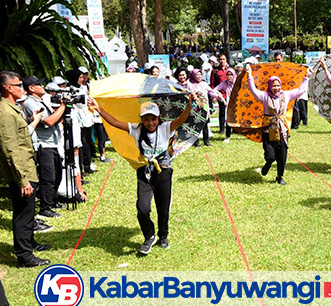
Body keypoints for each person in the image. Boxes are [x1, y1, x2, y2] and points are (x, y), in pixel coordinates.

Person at [88, 94, 196, 253]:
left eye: (153, 119)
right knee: (143, 207)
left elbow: (181, 119)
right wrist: (99, 109)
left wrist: (190, 104)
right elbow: (115, 122)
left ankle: (163, 236)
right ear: (142, 119)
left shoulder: (166, 129)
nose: (150, 123)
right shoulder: (136, 129)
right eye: (146, 119)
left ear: (159, 118)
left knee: (163, 207)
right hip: (144, 173)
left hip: (163, 171)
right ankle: (149, 236)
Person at [0, 71, 51, 267]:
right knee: (23, 213)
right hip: (22, 173)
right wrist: (22, 180)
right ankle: (24, 256)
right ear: (7, 88)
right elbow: (10, 150)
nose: (23, 88)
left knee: (29, 211)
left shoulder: (13, 108)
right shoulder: (3, 112)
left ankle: (29, 243)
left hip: (28, 169)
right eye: (19, 85)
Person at [245, 64, 311, 185]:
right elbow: (253, 90)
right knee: (270, 156)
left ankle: (280, 177)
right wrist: (249, 75)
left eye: (278, 85)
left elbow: (300, 90)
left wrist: (306, 77)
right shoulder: (264, 96)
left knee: (282, 156)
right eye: (274, 85)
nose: (276, 88)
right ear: (270, 86)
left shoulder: (286, 95)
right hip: (268, 130)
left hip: (282, 130)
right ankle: (268, 163)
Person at [22, 76, 66, 218]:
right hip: (43, 145)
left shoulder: (41, 101)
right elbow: (48, 121)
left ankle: (52, 202)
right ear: (31, 88)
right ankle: (45, 208)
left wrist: (63, 107)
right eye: (39, 84)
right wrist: (63, 106)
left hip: (52, 143)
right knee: (48, 177)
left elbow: (55, 118)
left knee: (57, 173)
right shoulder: (30, 103)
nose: (43, 86)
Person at [189, 68, 224, 146]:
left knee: (205, 124)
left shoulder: (204, 84)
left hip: (205, 107)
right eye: (197, 74)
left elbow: (210, 92)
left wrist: (218, 96)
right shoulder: (190, 84)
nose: (199, 76)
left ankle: (206, 141)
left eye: (200, 74)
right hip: (195, 108)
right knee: (196, 125)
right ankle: (196, 142)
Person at [214, 68, 237, 142]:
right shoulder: (224, 83)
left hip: (239, 103)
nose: (229, 76)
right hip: (229, 104)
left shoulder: (237, 82)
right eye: (228, 74)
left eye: (231, 75)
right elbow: (214, 90)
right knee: (228, 120)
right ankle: (227, 136)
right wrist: (220, 96)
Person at [211, 54, 230, 136]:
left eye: (223, 59)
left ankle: (232, 128)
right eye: (220, 59)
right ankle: (222, 129)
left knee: (231, 112)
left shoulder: (229, 70)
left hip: (230, 94)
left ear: (226, 60)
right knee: (222, 111)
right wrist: (213, 95)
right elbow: (212, 84)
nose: (222, 61)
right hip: (220, 95)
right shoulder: (215, 71)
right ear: (218, 60)